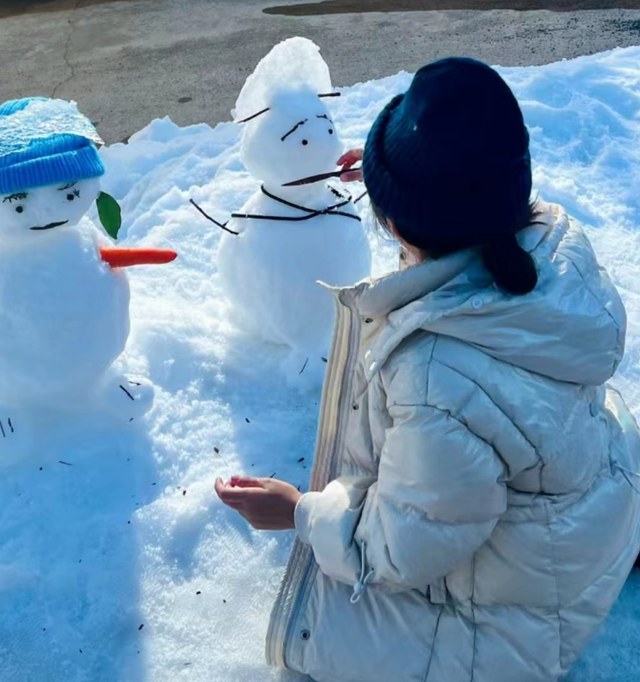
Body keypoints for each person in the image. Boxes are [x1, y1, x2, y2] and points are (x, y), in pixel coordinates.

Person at [215, 57, 640, 682]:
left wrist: (301, 513)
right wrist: (411, 184)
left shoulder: (435, 374)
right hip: (588, 503)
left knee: (316, 638)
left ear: (393, 225)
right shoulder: (555, 242)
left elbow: (402, 549)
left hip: (515, 603)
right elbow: (474, 192)